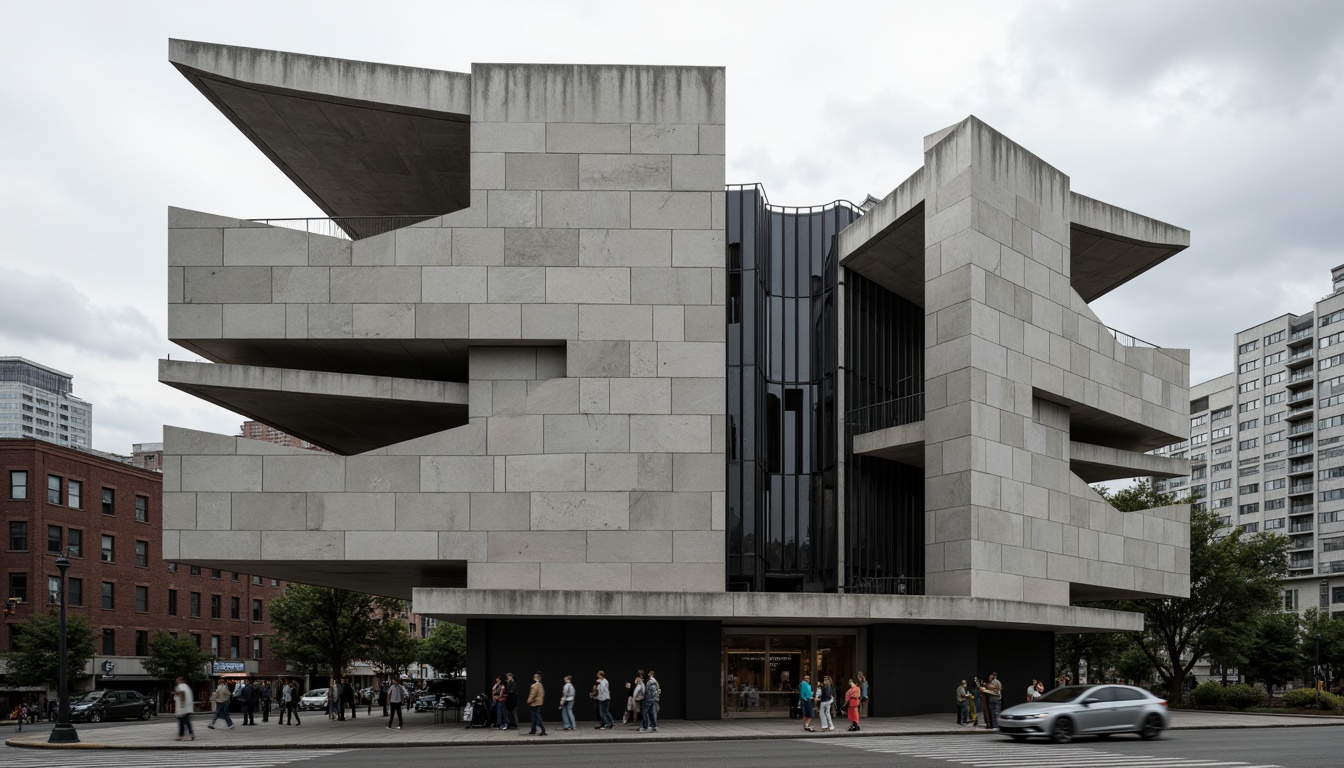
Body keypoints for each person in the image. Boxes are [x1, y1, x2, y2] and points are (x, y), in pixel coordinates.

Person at [174, 676, 195, 741]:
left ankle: (189, 734)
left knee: (184, 722)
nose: (177, 682)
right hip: (188, 708)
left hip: (182, 709)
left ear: (180, 681)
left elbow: (182, 693)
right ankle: (182, 735)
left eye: (177, 681)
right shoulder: (187, 687)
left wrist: (182, 704)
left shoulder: (180, 687)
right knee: (183, 722)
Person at [526, 671, 548, 736]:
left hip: (534, 703)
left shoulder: (534, 686)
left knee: (537, 717)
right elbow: (542, 694)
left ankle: (543, 730)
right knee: (534, 718)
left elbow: (532, 695)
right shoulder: (540, 685)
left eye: (535, 676)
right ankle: (533, 730)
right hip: (538, 703)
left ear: (538, 677)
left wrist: (528, 701)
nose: (534, 677)